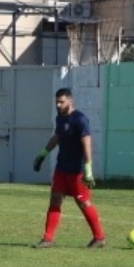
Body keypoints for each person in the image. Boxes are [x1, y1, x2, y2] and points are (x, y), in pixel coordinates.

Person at [31, 88, 107, 249]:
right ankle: (48, 239)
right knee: (55, 200)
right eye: (57, 102)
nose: (58, 105)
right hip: (61, 169)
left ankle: (99, 237)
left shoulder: (80, 119)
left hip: (77, 172)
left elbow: (87, 145)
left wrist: (88, 171)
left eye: (61, 102)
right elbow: (57, 137)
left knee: (84, 203)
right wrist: (42, 154)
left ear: (71, 101)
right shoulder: (60, 118)